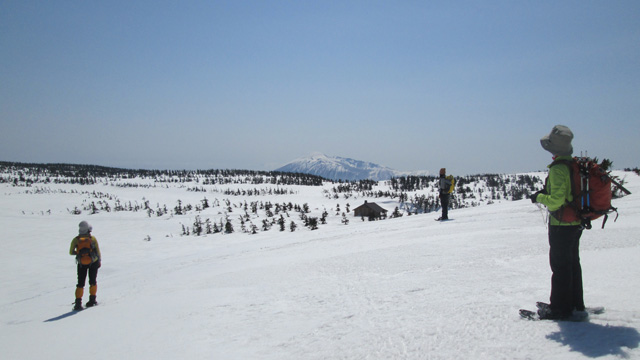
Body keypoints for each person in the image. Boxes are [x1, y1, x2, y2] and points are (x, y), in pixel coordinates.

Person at [530, 125, 585, 320]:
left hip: (562, 223)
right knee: (572, 264)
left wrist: (539, 198)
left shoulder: (558, 168)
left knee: (560, 266)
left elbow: (556, 201)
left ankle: (560, 308)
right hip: (576, 222)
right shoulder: (573, 165)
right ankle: (576, 304)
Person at [69, 221, 102, 310]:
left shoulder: (76, 239)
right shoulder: (93, 239)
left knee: (80, 283)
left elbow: (71, 252)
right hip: (93, 261)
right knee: (93, 281)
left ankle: (78, 303)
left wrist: (79, 253)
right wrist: (99, 260)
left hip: (81, 264)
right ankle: (92, 300)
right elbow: (98, 251)